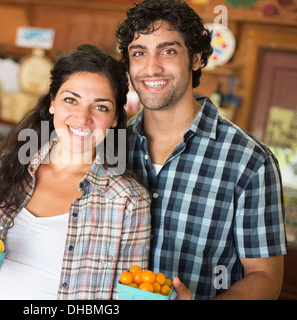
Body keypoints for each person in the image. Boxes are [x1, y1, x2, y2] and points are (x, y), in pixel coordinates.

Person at [0, 44, 151, 300]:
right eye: (71, 100)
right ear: (52, 103)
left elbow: (130, 292)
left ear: (114, 119)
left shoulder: (128, 200)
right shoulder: (6, 166)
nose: (82, 118)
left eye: (100, 107)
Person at [116, 0, 287, 300]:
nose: (151, 67)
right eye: (139, 53)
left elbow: (265, 277)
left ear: (195, 59)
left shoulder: (250, 161)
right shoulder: (110, 146)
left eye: (168, 51)